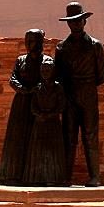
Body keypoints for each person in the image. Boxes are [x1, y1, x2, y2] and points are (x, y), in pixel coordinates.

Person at [54, 1, 104, 187]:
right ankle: (65, 177)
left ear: (84, 21)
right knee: (68, 137)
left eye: (79, 20)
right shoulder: (61, 48)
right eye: (72, 21)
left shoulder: (95, 46)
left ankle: (95, 177)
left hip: (88, 95)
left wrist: (86, 85)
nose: (76, 24)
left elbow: (103, 75)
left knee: (90, 135)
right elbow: (58, 75)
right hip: (69, 96)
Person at [0, 29, 45, 185]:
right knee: (16, 138)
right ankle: (11, 175)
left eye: (34, 41)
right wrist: (24, 89)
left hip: (38, 103)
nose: (30, 44)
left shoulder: (47, 61)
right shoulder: (20, 60)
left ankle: (35, 176)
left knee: (36, 138)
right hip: (21, 103)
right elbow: (13, 79)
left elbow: (50, 79)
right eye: (28, 41)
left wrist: (37, 88)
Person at [24, 58, 68, 186]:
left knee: (53, 151)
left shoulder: (58, 87)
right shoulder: (37, 88)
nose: (45, 72)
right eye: (43, 69)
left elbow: (61, 105)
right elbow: (33, 106)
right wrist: (40, 114)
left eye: (48, 69)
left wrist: (50, 115)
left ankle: (54, 178)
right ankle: (35, 178)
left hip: (53, 123)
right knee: (37, 150)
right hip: (39, 123)